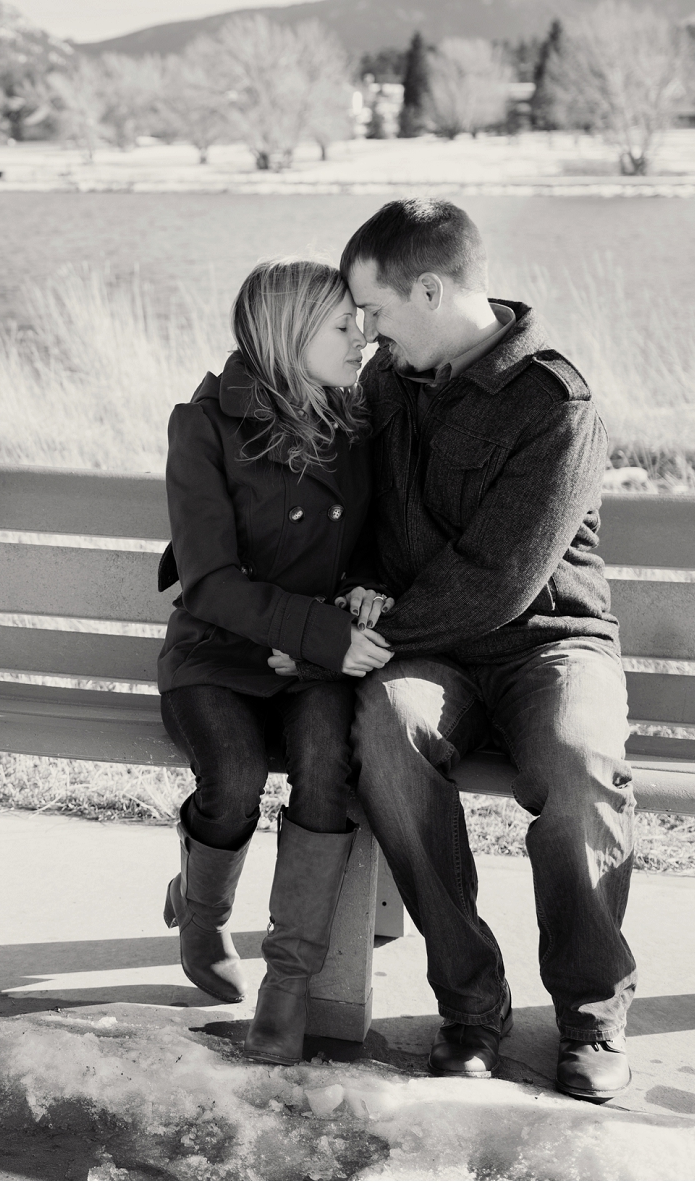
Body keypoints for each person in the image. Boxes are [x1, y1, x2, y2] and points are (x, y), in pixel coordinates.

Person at [288, 197, 634, 1102]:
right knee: (387, 727)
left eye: (377, 311)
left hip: (548, 642)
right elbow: (356, 502)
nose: (364, 334)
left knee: (576, 765)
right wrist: (356, 583)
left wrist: (359, 636)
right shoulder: (390, 382)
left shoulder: (558, 402)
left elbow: (498, 581)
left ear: (433, 290)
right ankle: (471, 1004)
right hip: (432, 654)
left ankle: (592, 1009)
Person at [155, 258, 393, 1065]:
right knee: (233, 775)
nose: (361, 338)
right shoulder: (203, 425)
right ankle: (201, 910)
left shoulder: (358, 422)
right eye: (340, 327)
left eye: (360, 324)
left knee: (328, 766)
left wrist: (369, 588)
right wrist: (318, 633)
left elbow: (376, 541)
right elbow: (210, 580)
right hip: (218, 653)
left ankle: (286, 983)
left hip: (319, 659)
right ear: (290, 337)